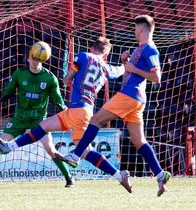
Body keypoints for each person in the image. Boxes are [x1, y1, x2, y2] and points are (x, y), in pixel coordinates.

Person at [0, 37, 132, 193]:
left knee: (83, 150)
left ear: (92, 47)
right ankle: (9, 146)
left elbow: (67, 80)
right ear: (105, 54)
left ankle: (118, 175)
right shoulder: (107, 68)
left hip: (78, 110)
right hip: (82, 110)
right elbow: (120, 70)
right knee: (44, 127)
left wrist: (68, 79)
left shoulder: (83, 56)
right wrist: (124, 62)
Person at [57, 15, 171, 197]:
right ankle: (159, 174)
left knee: (96, 120)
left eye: (135, 29)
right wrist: (126, 63)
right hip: (138, 99)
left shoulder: (150, 49)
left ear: (141, 30)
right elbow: (128, 73)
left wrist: (133, 69)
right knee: (138, 140)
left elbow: (156, 77)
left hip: (130, 95)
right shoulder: (138, 50)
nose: (134, 32)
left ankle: (75, 155)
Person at [0, 42, 73, 189]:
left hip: (39, 120)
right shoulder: (19, 74)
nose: (34, 62)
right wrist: (3, 97)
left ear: (43, 60)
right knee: (0, 146)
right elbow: (9, 90)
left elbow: (58, 100)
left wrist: (63, 108)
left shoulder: (50, 78)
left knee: (50, 149)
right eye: (33, 59)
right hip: (19, 118)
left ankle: (69, 179)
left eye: (38, 60)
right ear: (29, 59)